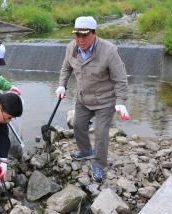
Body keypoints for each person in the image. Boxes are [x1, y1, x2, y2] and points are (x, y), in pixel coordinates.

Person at [55, 16, 130, 182]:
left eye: (84, 35)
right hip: (83, 98)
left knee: (101, 133)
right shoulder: (71, 48)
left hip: (105, 100)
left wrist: (121, 102)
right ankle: (86, 151)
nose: (80, 39)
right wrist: (62, 85)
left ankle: (99, 164)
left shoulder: (109, 50)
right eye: (77, 35)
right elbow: (65, 68)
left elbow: (121, 79)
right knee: (78, 126)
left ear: (94, 33)